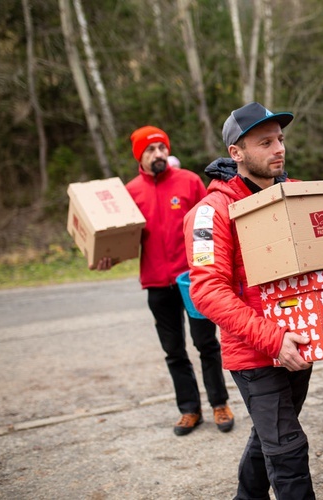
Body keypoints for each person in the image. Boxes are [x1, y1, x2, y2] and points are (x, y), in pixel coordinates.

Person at [183, 103, 316, 499]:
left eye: (280, 140)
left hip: (302, 341)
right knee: (288, 448)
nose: (279, 149)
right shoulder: (211, 212)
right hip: (256, 353)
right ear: (236, 153)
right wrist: (274, 340)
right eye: (265, 142)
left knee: (269, 435)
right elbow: (207, 290)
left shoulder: (294, 195)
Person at [97, 126, 234, 437]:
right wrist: (109, 256)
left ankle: (219, 404)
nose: (158, 154)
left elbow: (211, 224)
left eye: (161, 147)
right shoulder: (129, 193)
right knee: (174, 351)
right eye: (150, 150)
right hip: (157, 283)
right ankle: (189, 409)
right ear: (140, 157)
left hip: (194, 280)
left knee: (207, 344)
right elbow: (124, 240)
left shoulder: (188, 181)